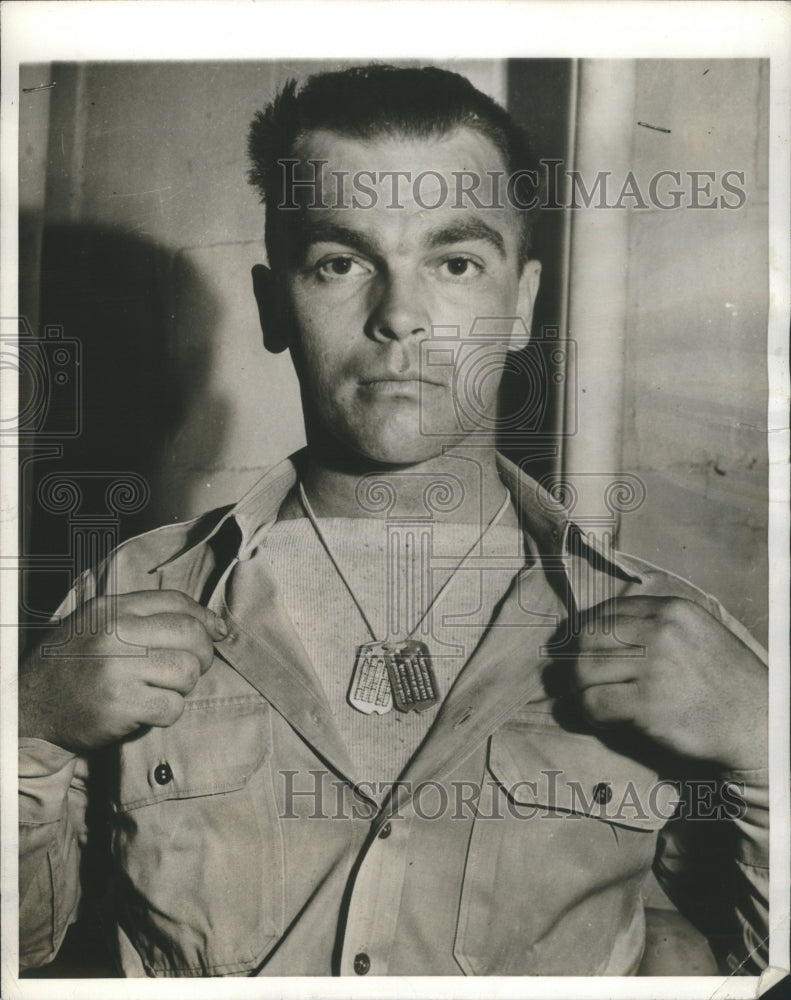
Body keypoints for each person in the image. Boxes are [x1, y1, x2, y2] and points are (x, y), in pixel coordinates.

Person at [18, 64, 768, 978]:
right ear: (272, 306)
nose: (399, 317)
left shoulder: (669, 634)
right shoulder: (130, 594)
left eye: (454, 263)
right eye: (341, 263)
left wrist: (767, 747)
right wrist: (25, 726)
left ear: (520, 305)